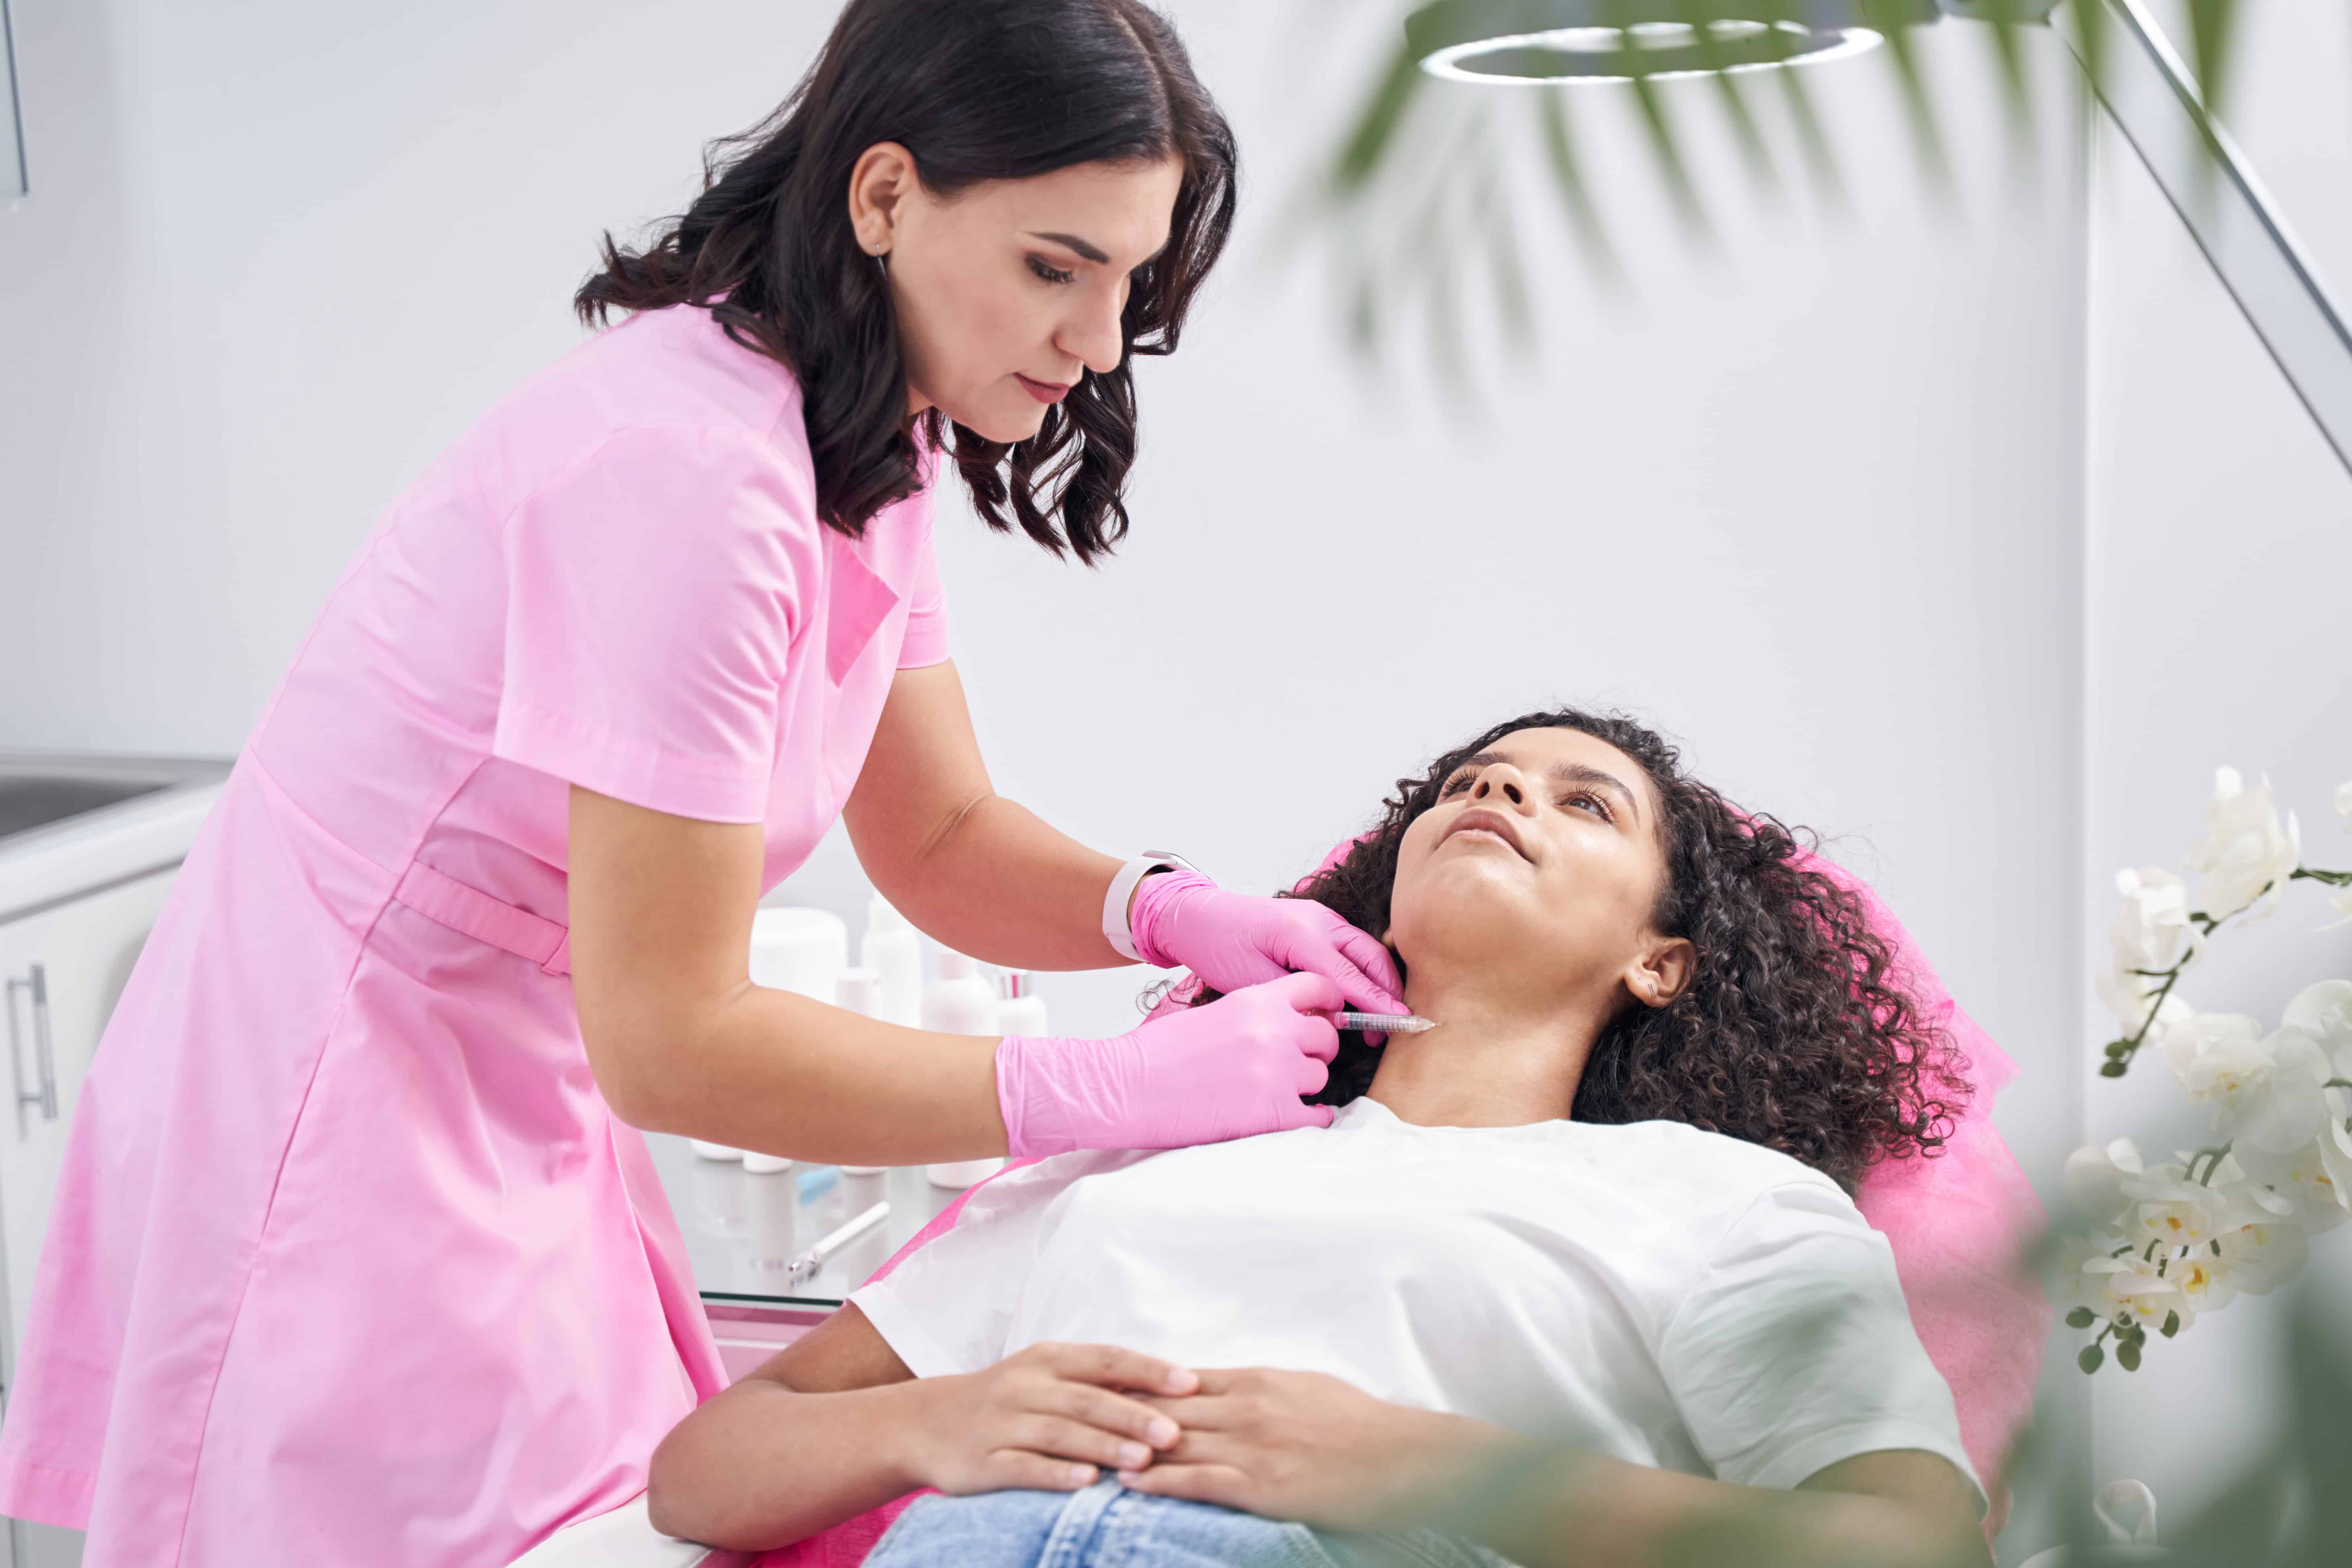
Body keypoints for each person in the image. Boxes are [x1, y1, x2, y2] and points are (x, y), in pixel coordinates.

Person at [0, 4, 1405, 1564]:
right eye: (1053, 266)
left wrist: (1164, 914)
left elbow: (936, 834)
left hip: (514, 1086)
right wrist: (1101, 1095)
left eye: (1128, 281)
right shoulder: (693, 481)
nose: (1092, 343)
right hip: (339, 1103)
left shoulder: (865, 433)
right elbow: (674, 1039)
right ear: (885, 199)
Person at [644, 708, 1993, 1568]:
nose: (1503, 797)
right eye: (1475, 780)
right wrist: (949, 1420)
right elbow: (702, 1471)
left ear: (1662, 962)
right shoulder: (1147, 1153)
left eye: (1583, 802)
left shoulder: (1724, 1203)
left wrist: (1428, 1469)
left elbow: (1913, 1545)